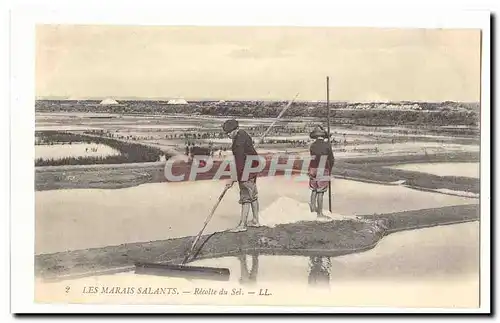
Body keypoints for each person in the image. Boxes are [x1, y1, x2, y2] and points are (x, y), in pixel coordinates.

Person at [222, 119, 261, 232]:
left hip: (247, 169)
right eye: (226, 133)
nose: (228, 135)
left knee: (245, 197)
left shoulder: (237, 144)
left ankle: (242, 225)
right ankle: (255, 220)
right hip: (254, 166)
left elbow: (240, 163)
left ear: (236, 129)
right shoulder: (243, 133)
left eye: (229, 132)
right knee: (253, 194)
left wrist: (232, 179)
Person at [308, 126, 334, 220]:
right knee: (320, 191)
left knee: (313, 189)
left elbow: (312, 157)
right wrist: (330, 169)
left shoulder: (312, 145)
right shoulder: (327, 145)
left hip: (312, 167)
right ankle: (319, 213)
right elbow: (331, 159)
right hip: (323, 167)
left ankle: (312, 209)